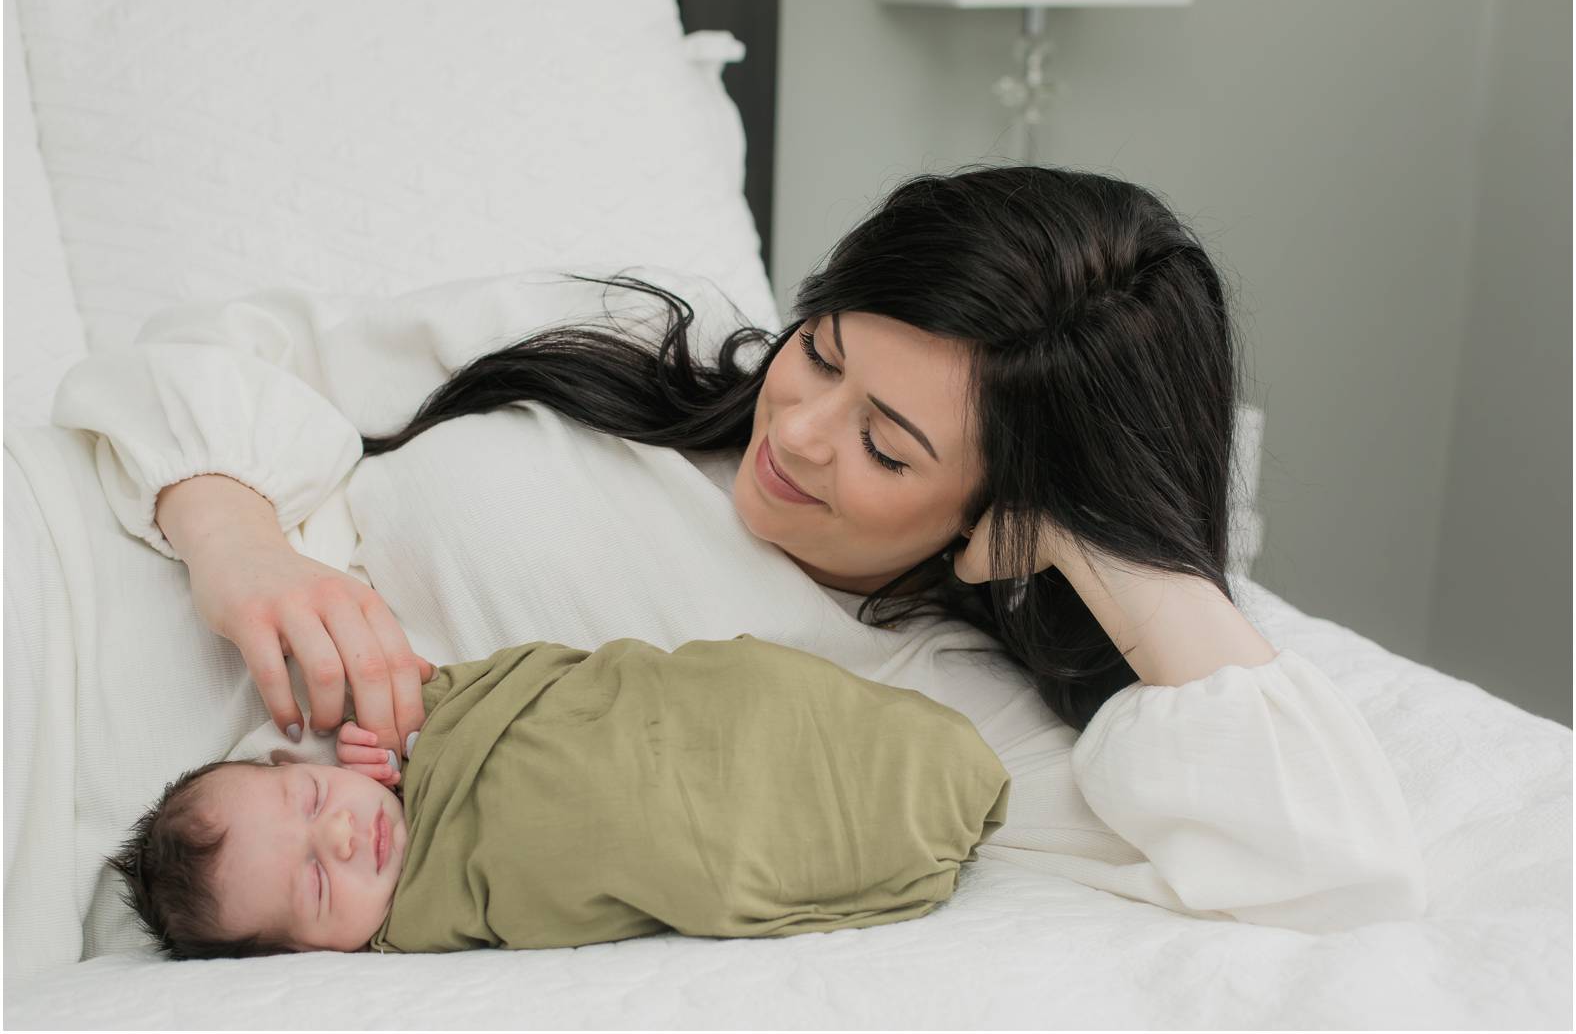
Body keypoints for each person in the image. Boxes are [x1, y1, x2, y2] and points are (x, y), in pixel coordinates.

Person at [54, 164, 1428, 933]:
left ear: (1005, 514)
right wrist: (236, 537)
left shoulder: (939, 702)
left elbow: (1337, 857)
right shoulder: (624, 347)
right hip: (109, 606)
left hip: (221, 887)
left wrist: (1106, 540)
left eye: (891, 447)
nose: (802, 429)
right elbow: (227, 349)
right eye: (818, 349)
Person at [109, 634, 1010, 958]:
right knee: (706, 850)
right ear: (309, 953)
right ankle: (907, 818)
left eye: (310, 799)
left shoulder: (422, 738)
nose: (342, 836)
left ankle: (921, 766)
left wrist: (401, 740)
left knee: (749, 688)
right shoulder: (415, 924)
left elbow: (513, 684)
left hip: (671, 721)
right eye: (312, 886)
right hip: (686, 840)